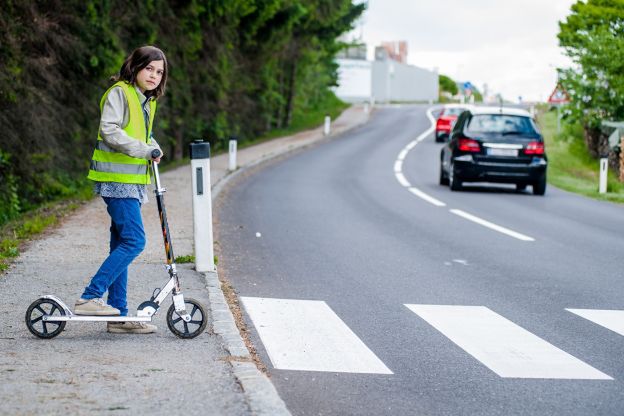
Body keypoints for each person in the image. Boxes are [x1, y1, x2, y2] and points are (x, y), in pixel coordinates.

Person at [74, 46, 167, 334]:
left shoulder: (147, 101)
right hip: (116, 180)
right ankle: (90, 297)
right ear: (136, 67)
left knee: (121, 243)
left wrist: (154, 146)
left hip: (133, 183)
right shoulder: (120, 92)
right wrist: (144, 149)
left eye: (159, 72)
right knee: (134, 241)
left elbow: (142, 134)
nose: (154, 75)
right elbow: (110, 130)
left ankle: (118, 315)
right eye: (149, 68)